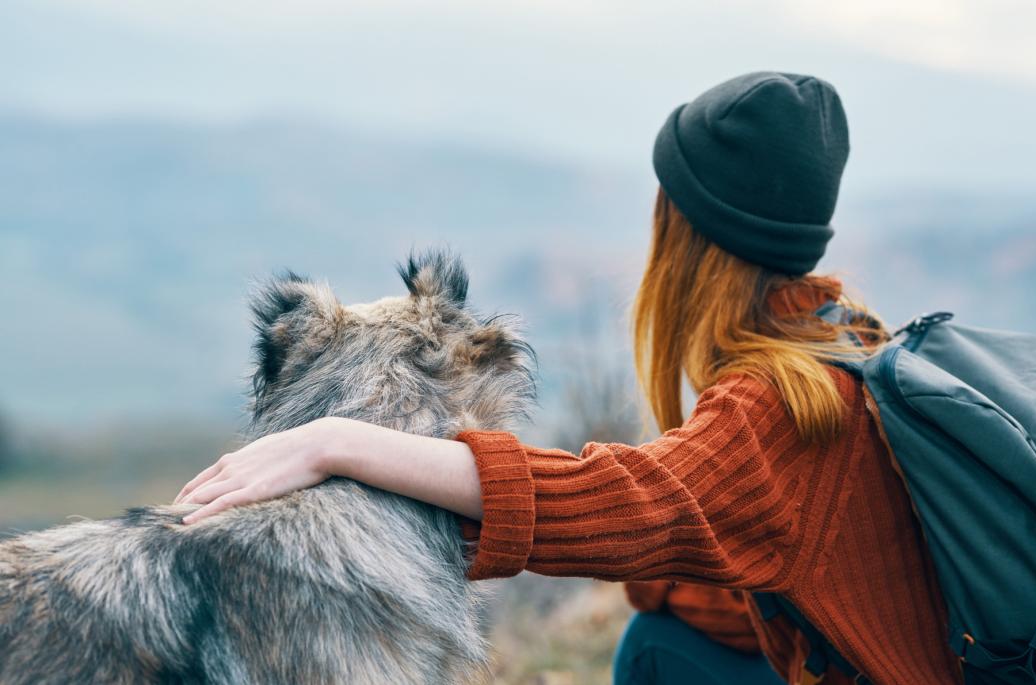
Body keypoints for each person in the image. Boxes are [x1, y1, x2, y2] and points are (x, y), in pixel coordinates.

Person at [175, 72, 962, 685]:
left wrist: (338, 442)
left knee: (651, 646)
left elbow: (612, 498)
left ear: (687, 235)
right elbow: (751, 554)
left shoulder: (777, 411)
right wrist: (674, 568)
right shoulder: (848, 338)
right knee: (664, 634)